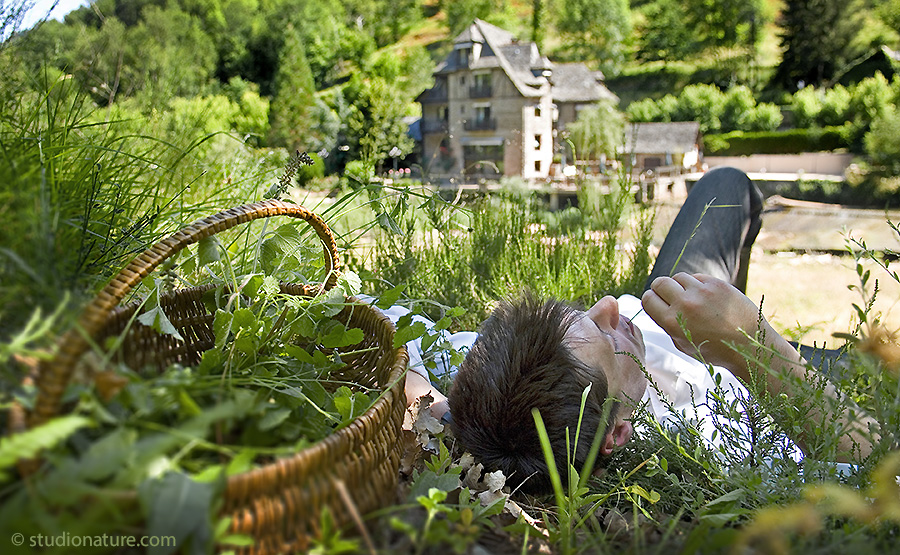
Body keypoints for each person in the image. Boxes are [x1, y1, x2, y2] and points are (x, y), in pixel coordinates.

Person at [400, 167, 879, 494]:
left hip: (666, 313)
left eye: (581, 315)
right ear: (618, 434)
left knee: (725, 183)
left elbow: (379, 322)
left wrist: (442, 410)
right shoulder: (708, 443)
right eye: (609, 341)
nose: (608, 304)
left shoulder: (495, 376)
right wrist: (750, 344)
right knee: (880, 359)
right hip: (748, 365)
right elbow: (873, 460)